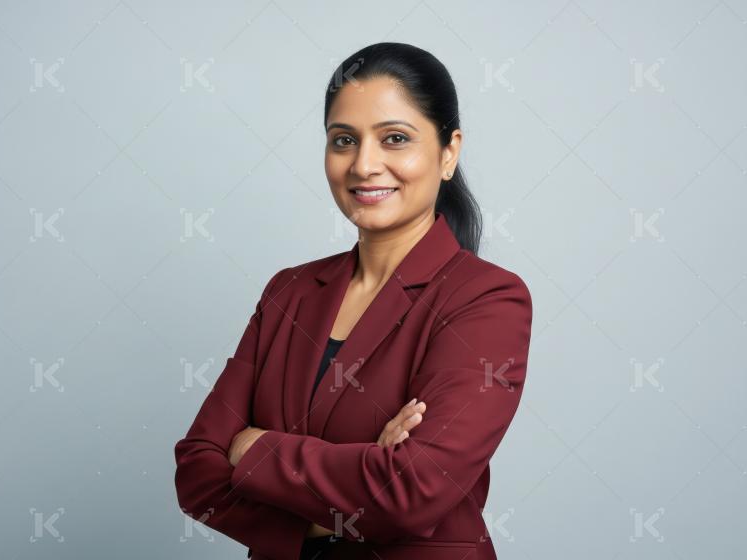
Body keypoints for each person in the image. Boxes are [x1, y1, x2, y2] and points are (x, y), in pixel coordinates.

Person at [174, 42, 533, 560]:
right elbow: (198, 474)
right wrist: (350, 493)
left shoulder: (487, 299)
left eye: (395, 139)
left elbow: (414, 491)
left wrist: (253, 448)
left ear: (448, 152)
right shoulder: (288, 292)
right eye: (344, 140)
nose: (365, 165)